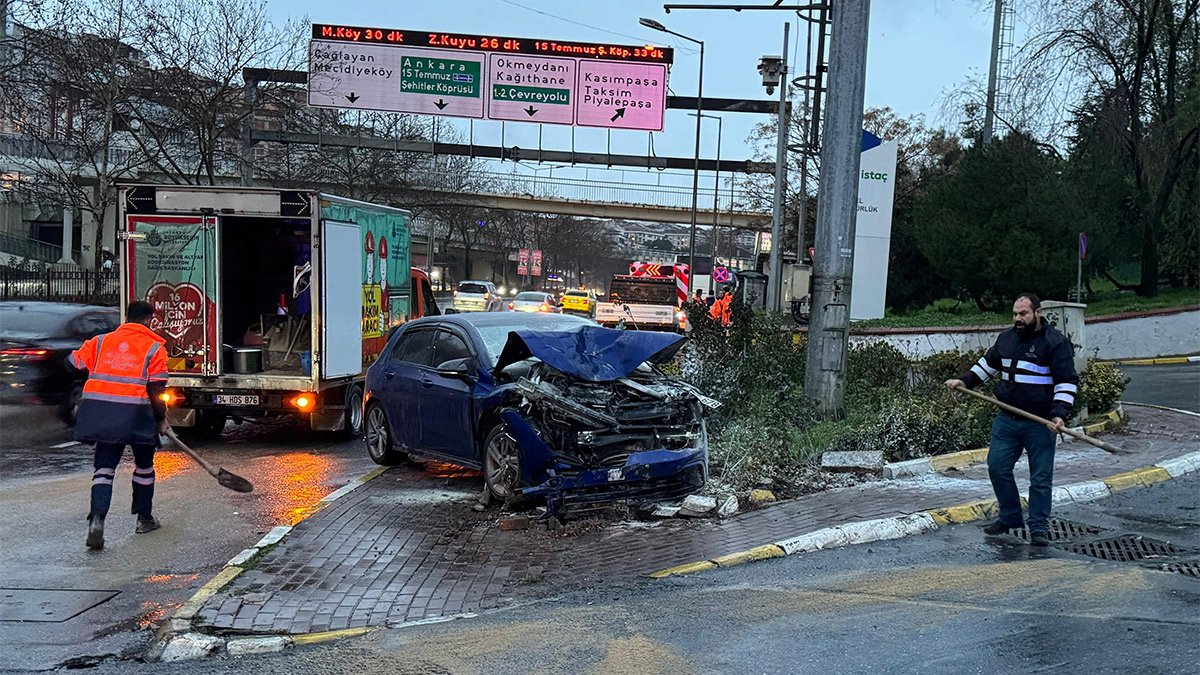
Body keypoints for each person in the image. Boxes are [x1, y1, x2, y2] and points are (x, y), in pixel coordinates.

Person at [945, 293, 1078, 547]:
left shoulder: (1055, 343)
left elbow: (1066, 381)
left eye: (1023, 314)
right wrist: (965, 380)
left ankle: (1038, 527)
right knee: (997, 467)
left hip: (1040, 422)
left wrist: (1059, 414)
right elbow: (987, 365)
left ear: (1038, 313)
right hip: (1007, 419)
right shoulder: (1006, 339)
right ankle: (1010, 516)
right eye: (1015, 314)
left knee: (1040, 477)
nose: (1018, 318)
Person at [69, 301, 170, 550]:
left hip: (103, 413)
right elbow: (157, 391)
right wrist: (161, 419)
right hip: (137, 413)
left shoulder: (100, 342)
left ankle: (97, 520)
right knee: (144, 467)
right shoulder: (155, 348)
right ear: (149, 320)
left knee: (104, 469)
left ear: (128, 317)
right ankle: (144, 519)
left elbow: (71, 363)